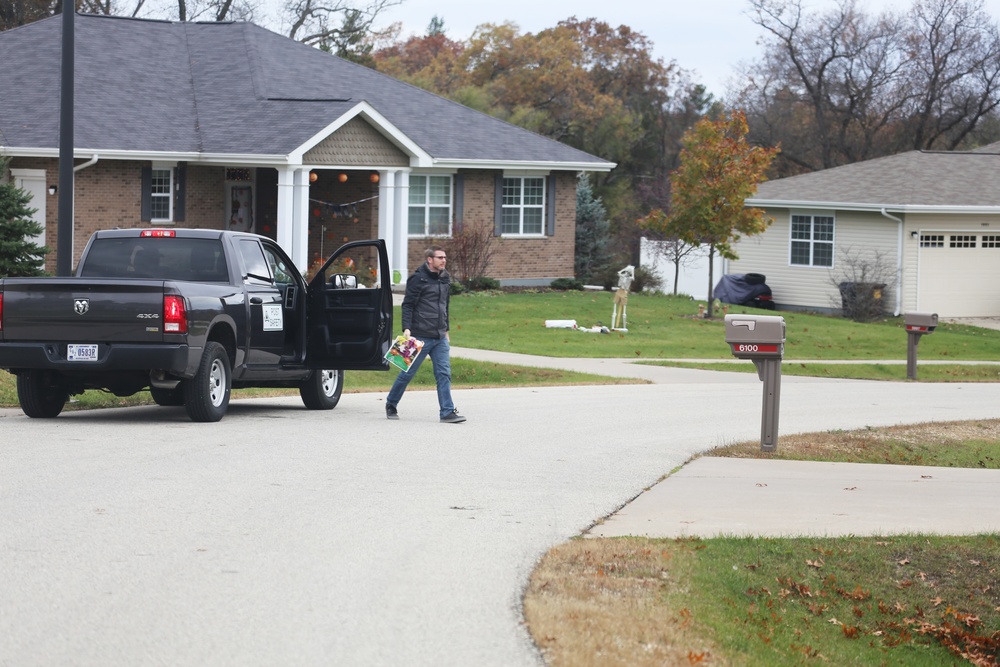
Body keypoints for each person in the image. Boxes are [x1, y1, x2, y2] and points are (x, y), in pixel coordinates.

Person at [385, 245, 466, 423]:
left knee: (444, 374)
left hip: (440, 336)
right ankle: (391, 403)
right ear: (430, 260)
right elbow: (408, 305)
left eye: (445, 257)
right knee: (407, 373)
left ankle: (447, 412)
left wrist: (447, 330)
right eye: (440, 257)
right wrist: (406, 328)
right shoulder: (418, 279)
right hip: (419, 336)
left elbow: (445, 305)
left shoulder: (445, 278)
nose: (444, 260)